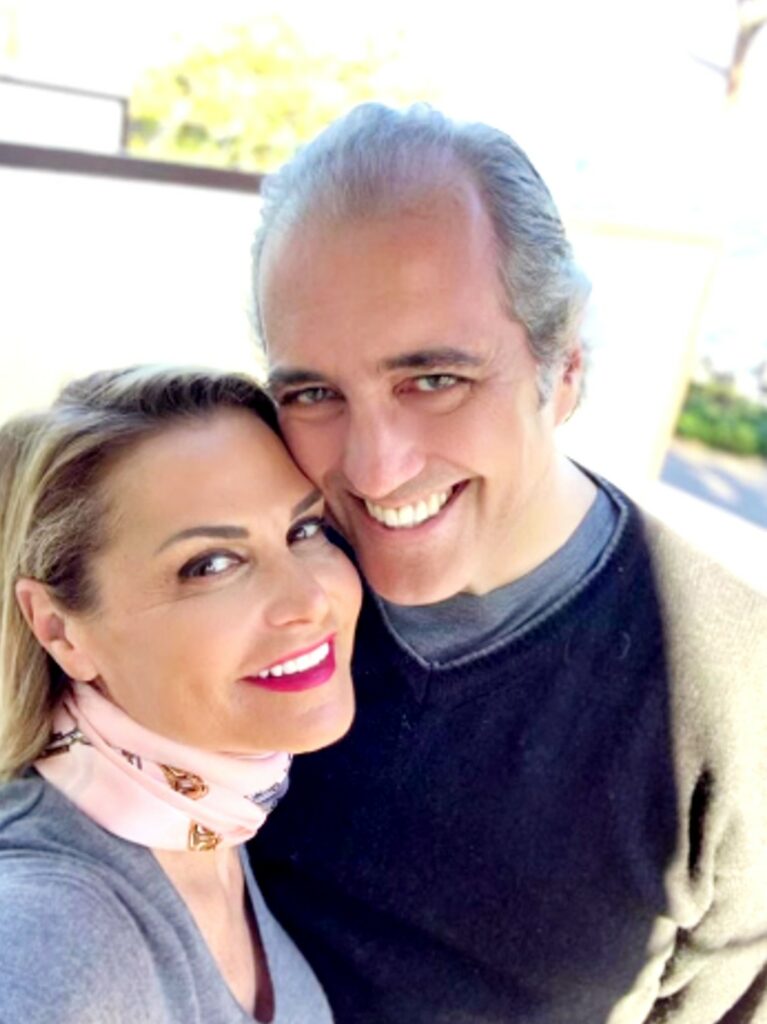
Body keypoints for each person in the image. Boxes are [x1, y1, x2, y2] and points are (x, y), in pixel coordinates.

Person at [249, 103, 767, 1023]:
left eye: (434, 380)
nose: (372, 469)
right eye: (316, 393)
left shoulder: (734, 695)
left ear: (562, 370)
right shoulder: (241, 597)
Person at [0, 365, 362, 1023]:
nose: (311, 600)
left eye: (303, 530)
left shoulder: (216, 815)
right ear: (58, 629)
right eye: (211, 565)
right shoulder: (52, 927)